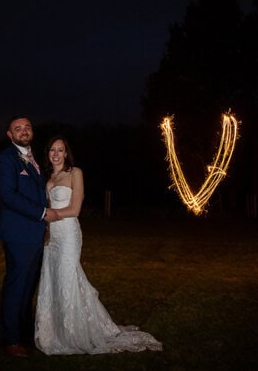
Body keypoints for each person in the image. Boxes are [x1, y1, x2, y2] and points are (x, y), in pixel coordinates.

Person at [34, 135, 163, 355]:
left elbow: (75, 210)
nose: (56, 154)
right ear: (48, 154)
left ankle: (74, 332)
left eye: (60, 150)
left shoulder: (75, 173)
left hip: (68, 234)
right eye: (52, 150)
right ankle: (54, 331)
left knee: (68, 278)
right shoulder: (48, 177)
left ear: (66, 153)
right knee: (53, 278)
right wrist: (45, 221)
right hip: (51, 236)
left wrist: (48, 214)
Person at [0, 115, 60, 358]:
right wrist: (42, 213)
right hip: (18, 234)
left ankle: (23, 332)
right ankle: (10, 340)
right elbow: (8, 196)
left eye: (27, 127)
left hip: (35, 234)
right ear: (10, 135)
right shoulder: (6, 160)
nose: (24, 131)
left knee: (28, 288)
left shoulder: (37, 159)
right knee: (15, 286)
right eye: (17, 128)